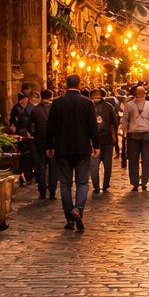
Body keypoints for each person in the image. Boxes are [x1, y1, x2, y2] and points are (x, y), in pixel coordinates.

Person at [46, 74, 99, 230]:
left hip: (62, 149)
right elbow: (93, 127)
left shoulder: (57, 103)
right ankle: (78, 209)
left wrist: (49, 145)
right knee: (82, 182)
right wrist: (96, 145)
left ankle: (69, 218)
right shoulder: (87, 103)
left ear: (65, 84)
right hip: (82, 148)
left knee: (65, 184)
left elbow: (50, 126)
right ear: (79, 84)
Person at [123, 87, 149, 190]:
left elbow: (125, 120)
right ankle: (144, 181)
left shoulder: (129, 105)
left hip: (133, 135)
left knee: (133, 160)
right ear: (144, 94)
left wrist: (124, 132)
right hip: (146, 135)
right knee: (146, 159)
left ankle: (134, 182)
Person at [90, 85, 118, 194]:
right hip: (107, 139)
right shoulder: (109, 106)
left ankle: (96, 186)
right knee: (107, 164)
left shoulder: (88, 106)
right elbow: (113, 123)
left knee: (94, 165)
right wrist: (114, 136)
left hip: (93, 140)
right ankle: (106, 184)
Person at [29, 89, 55, 199]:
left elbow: (30, 126)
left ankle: (42, 190)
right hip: (54, 141)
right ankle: (52, 190)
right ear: (51, 96)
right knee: (53, 166)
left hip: (40, 141)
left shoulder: (35, 110)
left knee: (42, 165)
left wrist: (34, 134)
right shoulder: (55, 109)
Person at [11, 87, 35, 185]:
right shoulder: (17, 109)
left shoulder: (26, 108)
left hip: (27, 136)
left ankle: (27, 175)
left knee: (27, 157)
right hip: (22, 137)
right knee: (25, 157)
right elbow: (17, 123)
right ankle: (26, 175)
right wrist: (24, 132)